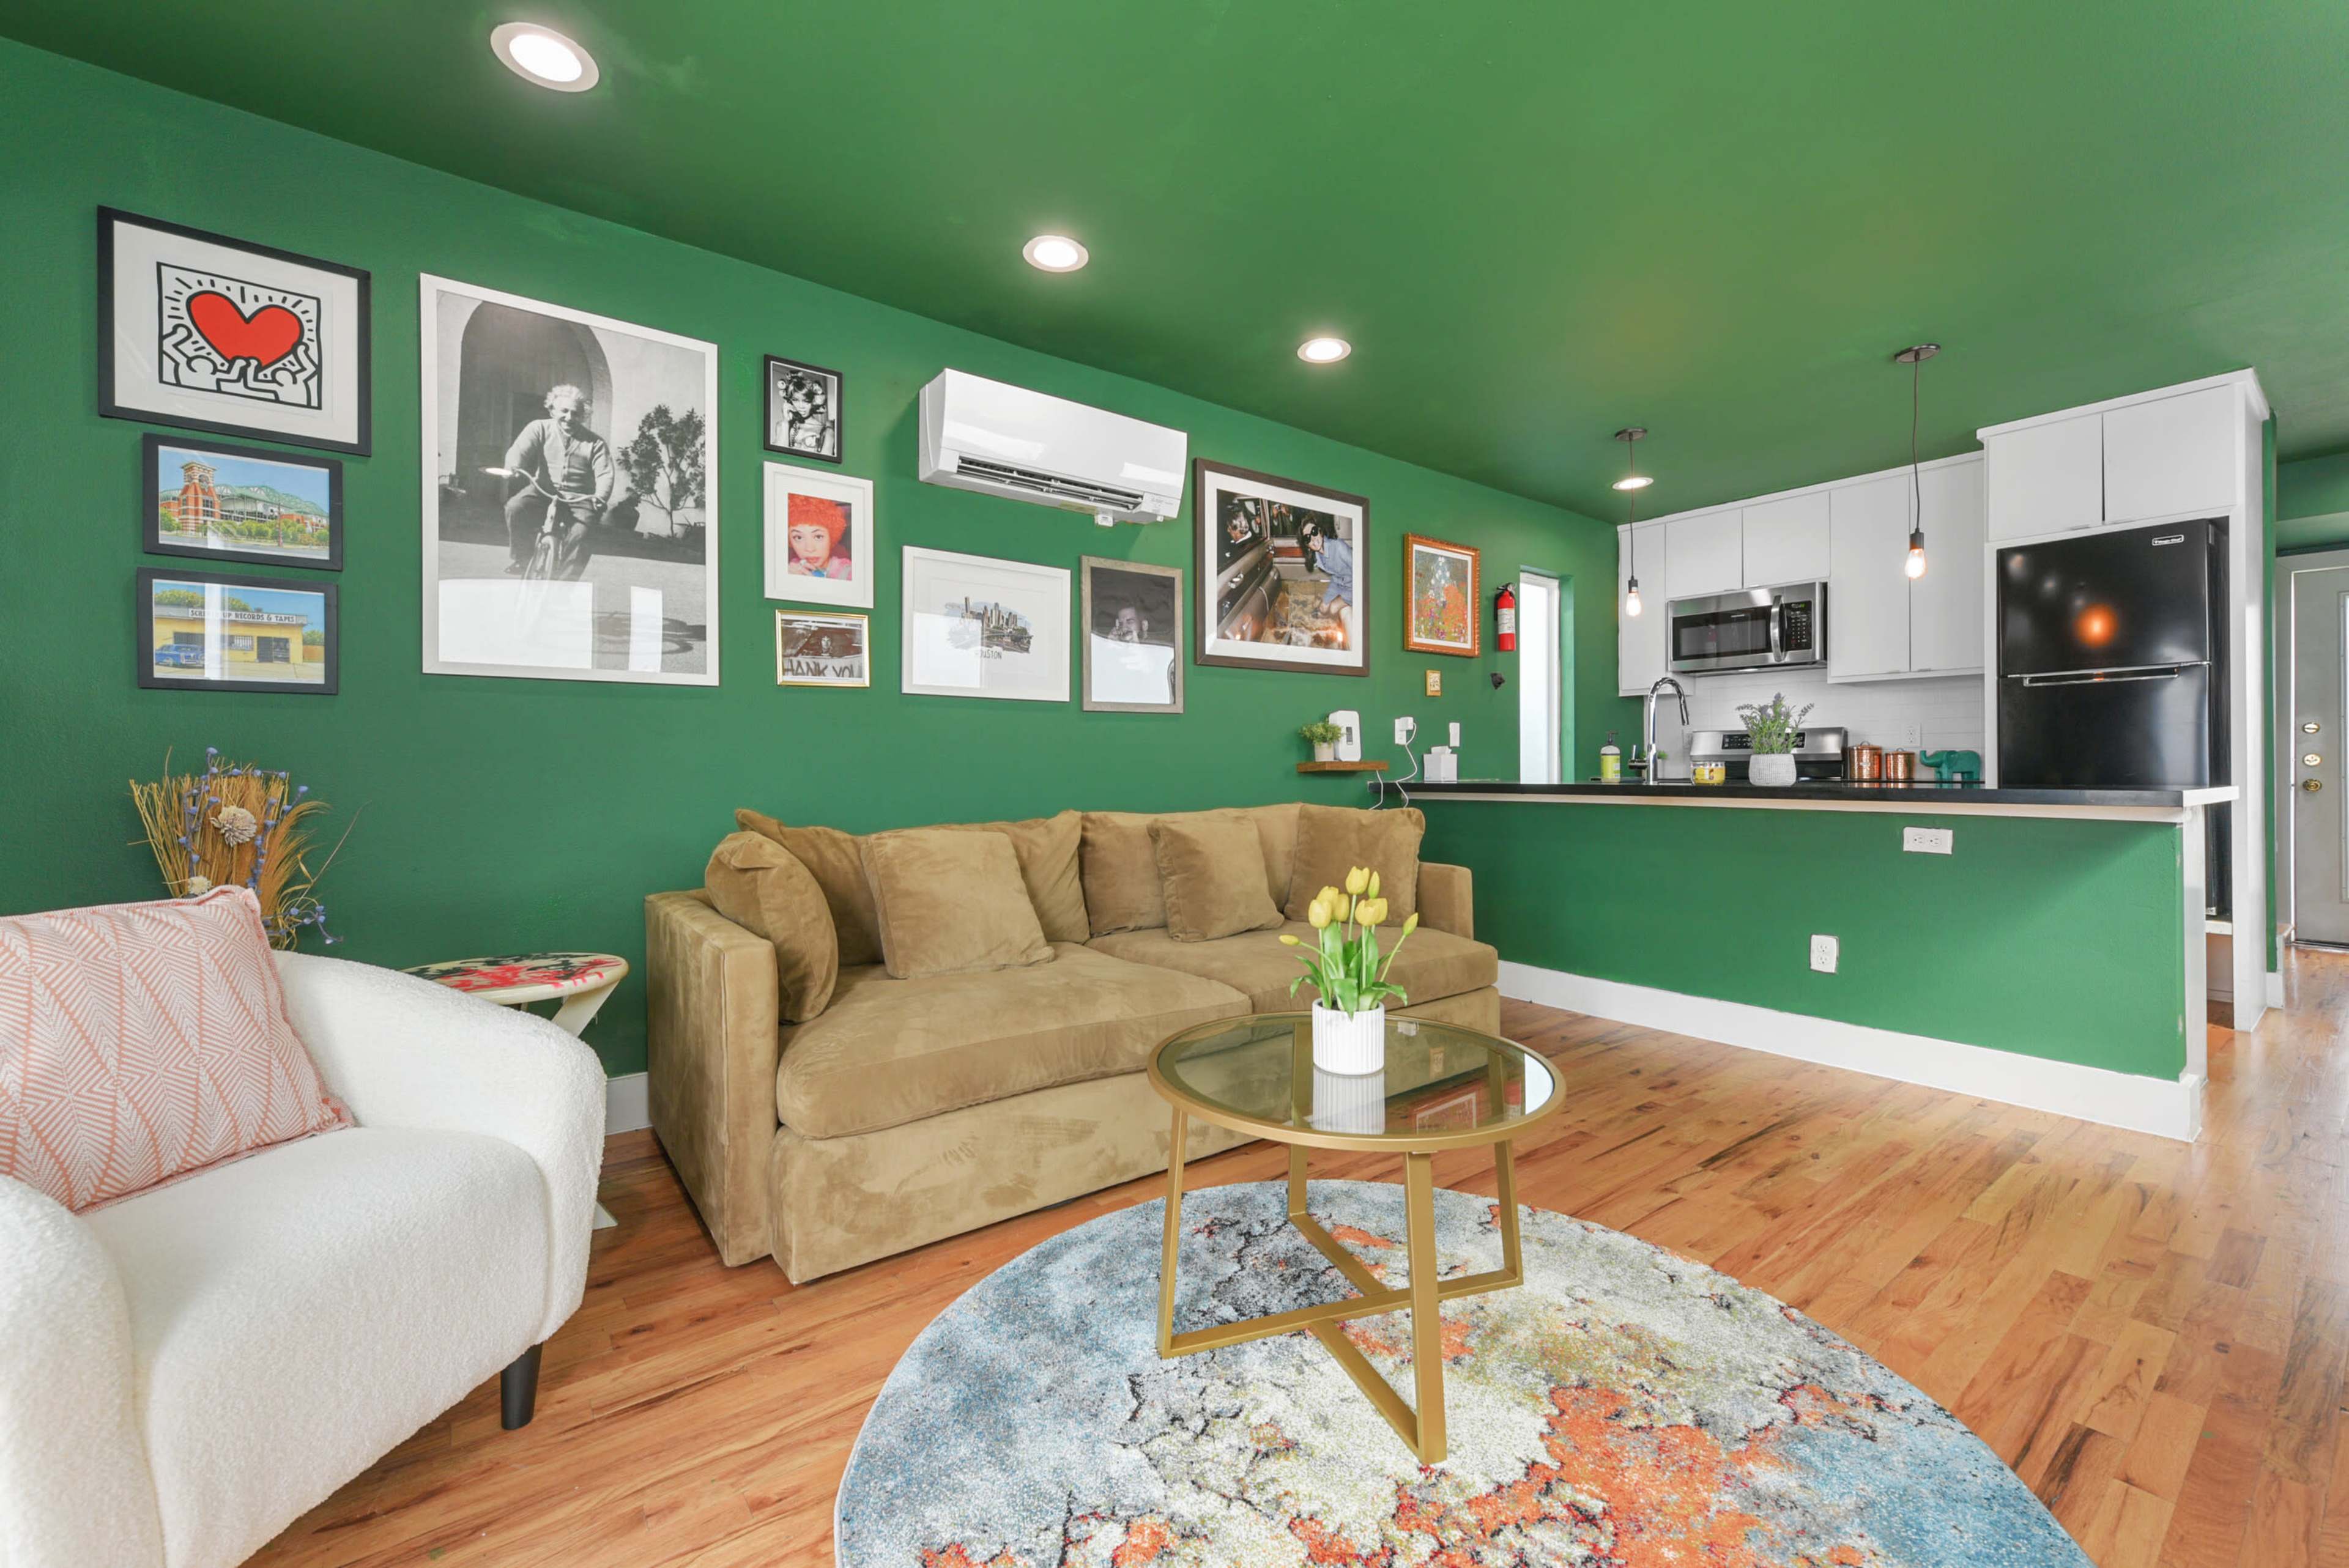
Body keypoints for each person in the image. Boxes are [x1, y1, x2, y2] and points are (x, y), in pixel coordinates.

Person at [502, 384, 613, 579]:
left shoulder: (595, 443)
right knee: (515, 507)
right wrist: (513, 466)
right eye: (564, 411)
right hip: (543, 490)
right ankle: (523, 557)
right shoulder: (539, 428)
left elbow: (605, 473)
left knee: (582, 533)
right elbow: (519, 450)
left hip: (580, 498)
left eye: (575, 413)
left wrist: (600, 497)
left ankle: (564, 585)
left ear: (583, 416)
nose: (569, 417)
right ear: (552, 410)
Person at [784, 495, 853, 579]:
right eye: (799, 538)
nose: (810, 549)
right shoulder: (792, 569)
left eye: (818, 537)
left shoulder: (848, 573)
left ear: (831, 536)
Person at [1302, 519, 1354, 608]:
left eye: (1314, 532)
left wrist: (1343, 599)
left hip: (1355, 587)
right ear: (1308, 546)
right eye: (1308, 538)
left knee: (1333, 608)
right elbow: (1336, 576)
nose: (1313, 539)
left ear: (1320, 531)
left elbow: (1363, 574)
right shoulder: (1318, 557)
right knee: (1323, 608)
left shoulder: (1338, 546)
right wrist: (1327, 599)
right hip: (1340, 585)